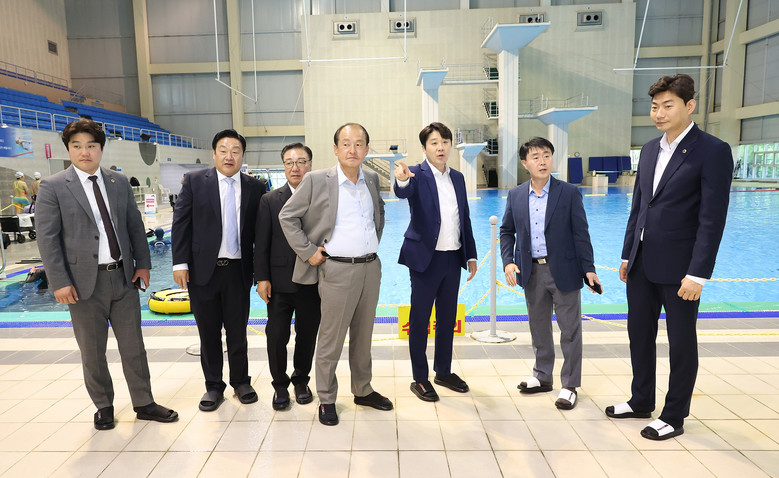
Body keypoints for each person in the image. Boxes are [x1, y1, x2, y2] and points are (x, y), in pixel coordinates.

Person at [606, 74, 733, 440]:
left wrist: (698, 274)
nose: (659, 113)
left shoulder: (712, 150)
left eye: (667, 106)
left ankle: (674, 415)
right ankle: (640, 400)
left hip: (681, 269)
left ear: (689, 106)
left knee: (680, 342)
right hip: (642, 262)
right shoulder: (649, 150)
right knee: (638, 334)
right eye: (654, 107)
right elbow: (638, 207)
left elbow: (712, 219)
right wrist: (628, 254)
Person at [35, 119, 178, 430]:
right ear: (68, 149)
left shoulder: (118, 181)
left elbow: (134, 225)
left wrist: (143, 264)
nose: (84, 152)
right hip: (82, 283)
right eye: (77, 146)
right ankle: (103, 406)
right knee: (92, 350)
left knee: (134, 346)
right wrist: (59, 281)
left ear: (100, 148)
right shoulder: (53, 186)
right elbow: (47, 239)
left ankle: (144, 402)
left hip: (123, 277)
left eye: (91, 145)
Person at [279, 123, 391, 426]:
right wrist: (308, 251)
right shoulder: (317, 180)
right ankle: (327, 398)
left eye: (359, 144)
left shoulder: (371, 178)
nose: (352, 150)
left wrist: (372, 244)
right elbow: (287, 216)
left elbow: (378, 214)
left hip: (370, 267)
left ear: (367, 149)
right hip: (337, 270)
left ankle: (363, 390)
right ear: (335, 149)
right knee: (331, 339)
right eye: (346, 143)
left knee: (363, 336)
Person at [500, 136, 601, 411]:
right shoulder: (516, 195)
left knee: (570, 330)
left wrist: (589, 269)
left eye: (546, 155)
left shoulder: (568, 193)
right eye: (535, 157)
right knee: (539, 327)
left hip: (564, 271)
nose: (542, 161)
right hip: (531, 271)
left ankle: (569, 385)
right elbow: (507, 231)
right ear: (525, 163)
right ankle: (543, 376)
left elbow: (581, 234)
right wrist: (508, 262)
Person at [171, 129, 265, 412]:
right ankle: (213, 386)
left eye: (235, 151)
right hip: (203, 271)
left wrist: (261, 273)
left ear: (242, 155)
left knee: (238, 332)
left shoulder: (255, 187)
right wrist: (180, 263)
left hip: (238, 271)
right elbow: (181, 224)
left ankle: (241, 382)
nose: (229, 156)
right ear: (213, 154)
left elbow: (261, 235)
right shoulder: (195, 182)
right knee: (208, 333)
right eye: (223, 150)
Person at [393, 122, 478, 402]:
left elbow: (464, 218)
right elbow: (402, 191)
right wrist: (402, 180)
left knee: (447, 318)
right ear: (424, 147)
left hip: (452, 257)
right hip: (424, 260)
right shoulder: (415, 174)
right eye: (434, 142)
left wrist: (470, 254)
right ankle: (420, 378)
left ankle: (443, 371)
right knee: (419, 320)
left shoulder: (458, 178)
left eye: (444, 142)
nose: (440, 147)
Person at [255, 143, 321, 410]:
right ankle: (279, 385)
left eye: (301, 162)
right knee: (276, 335)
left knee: (307, 335)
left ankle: (301, 381)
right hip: (279, 281)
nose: (295, 168)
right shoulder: (270, 200)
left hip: (312, 280)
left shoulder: (321, 196)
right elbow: (261, 242)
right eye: (289, 163)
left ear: (310, 165)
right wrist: (262, 278)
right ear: (283, 166)